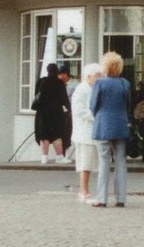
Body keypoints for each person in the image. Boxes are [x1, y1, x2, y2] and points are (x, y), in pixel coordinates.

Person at [89, 51, 130, 208]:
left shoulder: (99, 83)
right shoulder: (125, 83)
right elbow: (128, 104)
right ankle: (121, 198)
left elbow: (93, 106)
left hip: (103, 125)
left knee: (104, 161)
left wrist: (100, 116)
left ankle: (102, 198)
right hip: (120, 124)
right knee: (121, 161)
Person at [70, 62, 102, 201]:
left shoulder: (91, 88)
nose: (99, 79)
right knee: (85, 163)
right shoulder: (81, 89)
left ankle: (86, 190)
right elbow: (78, 110)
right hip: (84, 132)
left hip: (90, 131)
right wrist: (95, 116)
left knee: (89, 162)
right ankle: (83, 190)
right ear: (89, 76)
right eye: (97, 76)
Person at [34, 63, 71, 164]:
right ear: (56, 71)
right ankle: (59, 157)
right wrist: (70, 109)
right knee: (57, 134)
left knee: (44, 134)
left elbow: (36, 95)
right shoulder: (59, 83)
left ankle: (44, 157)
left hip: (42, 112)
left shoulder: (41, 81)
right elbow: (65, 99)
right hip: (56, 112)